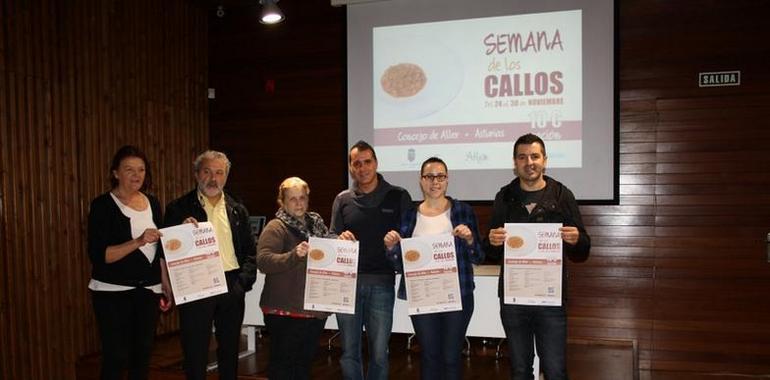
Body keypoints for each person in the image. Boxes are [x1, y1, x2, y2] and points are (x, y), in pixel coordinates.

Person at [485, 133, 590, 380]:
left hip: (550, 300)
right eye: (522, 157)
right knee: (520, 370)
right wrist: (491, 241)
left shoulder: (562, 195)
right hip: (514, 300)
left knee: (554, 370)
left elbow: (584, 247)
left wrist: (576, 240)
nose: (529, 162)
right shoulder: (504, 196)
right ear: (515, 163)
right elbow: (489, 251)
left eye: (534, 156)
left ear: (544, 160)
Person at [383, 157, 485, 380]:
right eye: (429, 176)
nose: (435, 181)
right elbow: (401, 264)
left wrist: (469, 240)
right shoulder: (410, 215)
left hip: (458, 296)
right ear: (421, 181)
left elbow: (479, 256)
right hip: (423, 297)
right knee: (429, 355)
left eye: (440, 176)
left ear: (447, 180)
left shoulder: (463, 210)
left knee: (451, 357)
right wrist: (391, 248)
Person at [164, 150, 257, 380]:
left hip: (231, 285)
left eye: (219, 172)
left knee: (229, 351)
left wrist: (241, 284)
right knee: (194, 352)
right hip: (196, 287)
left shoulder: (237, 209)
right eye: (207, 171)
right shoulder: (178, 208)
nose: (213, 178)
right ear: (197, 174)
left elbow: (250, 253)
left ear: (226, 176)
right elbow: (166, 250)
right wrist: (182, 232)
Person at [87, 145, 172, 380]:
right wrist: (138, 241)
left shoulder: (153, 203)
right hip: (112, 292)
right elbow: (101, 255)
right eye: (129, 169)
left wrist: (164, 282)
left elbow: (160, 248)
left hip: (148, 291)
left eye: (141, 170)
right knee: (115, 357)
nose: (136, 175)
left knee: (142, 356)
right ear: (115, 173)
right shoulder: (102, 206)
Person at [330, 140, 413, 380]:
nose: (363, 167)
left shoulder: (398, 196)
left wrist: (399, 239)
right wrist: (338, 238)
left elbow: (410, 237)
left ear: (376, 163)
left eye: (368, 162)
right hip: (346, 285)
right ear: (351, 168)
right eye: (357, 163)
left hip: (382, 284)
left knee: (379, 353)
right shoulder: (342, 199)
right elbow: (331, 235)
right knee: (349, 351)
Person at [257, 177, 351, 379]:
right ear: (282, 201)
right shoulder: (276, 227)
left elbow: (330, 249)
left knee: (302, 367)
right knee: (283, 367)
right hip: (285, 312)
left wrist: (342, 241)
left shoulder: (316, 224)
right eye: (292, 199)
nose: (299, 203)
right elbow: (263, 261)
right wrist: (294, 255)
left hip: (312, 310)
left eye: (302, 198)